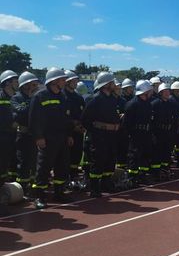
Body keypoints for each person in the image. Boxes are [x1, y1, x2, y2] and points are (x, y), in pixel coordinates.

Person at [29, 67, 73, 209]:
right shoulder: (40, 96)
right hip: (47, 138)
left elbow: (66, 119)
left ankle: (59, 193)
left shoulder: (62, 96)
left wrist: (69, 135)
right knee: (44, 167)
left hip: (61, 137)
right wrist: (38, 137)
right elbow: (34, 119)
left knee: (62, 165)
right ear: (54, 81)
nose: (64, 81)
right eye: (62, 79)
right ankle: (39, 196)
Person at [81, 72, 120, 196]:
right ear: (107, 84)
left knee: (110, 160)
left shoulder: (112, 99)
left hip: (111, 135)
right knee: (97, 161)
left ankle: (106, 183)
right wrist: (95, 131)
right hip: (99, 135)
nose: (114, 84)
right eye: (112, 82)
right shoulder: (95, 99)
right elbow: (85, 119)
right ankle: (94, 187)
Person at [11, 71, 40, 198]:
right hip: (22, 136)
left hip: (34, 135)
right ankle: (22, 189)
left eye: (35, 85)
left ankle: (33, 186)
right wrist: (31, 101)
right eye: (31, 85)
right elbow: (20, 113)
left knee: (34, 162)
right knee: (23, 162)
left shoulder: (36, 98)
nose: (34, 87)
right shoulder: (16, 98)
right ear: (25, 85)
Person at [0, 70, 18, 214]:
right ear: (7, 82)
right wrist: (9, 125)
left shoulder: (15, 97)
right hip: (3, 136)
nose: (17, 83)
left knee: (6, 166)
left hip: (12, 136)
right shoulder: (1, 96)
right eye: (14, 80)